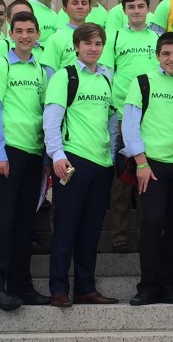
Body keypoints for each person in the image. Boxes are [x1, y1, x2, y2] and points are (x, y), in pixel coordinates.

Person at [43, 22, 118, 307]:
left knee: (91, 230)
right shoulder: (65, 76)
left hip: (100, 164)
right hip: (73, 161)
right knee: (66, 227)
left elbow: (111, 120)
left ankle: (86, 288)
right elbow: (51, 121)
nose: (93, 48)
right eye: (87, 43)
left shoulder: (106, 79)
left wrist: (110, 155)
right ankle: (59, 289)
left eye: (98, 43)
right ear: (76, 46)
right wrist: (57, 156)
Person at [0, 10, 52, 310]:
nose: (25, 36)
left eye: (30, 31)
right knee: (1, 222)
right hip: (8, 152)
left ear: (38, 34)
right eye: (20, 31)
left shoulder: (41, 69)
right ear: (12, 34)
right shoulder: (2, 65)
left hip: (33, 153)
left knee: (25, 223)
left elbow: (45, 111)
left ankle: (21, 285)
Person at [121, 32, 173, 306]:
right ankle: (148, 286)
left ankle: (168, 285)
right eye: (166, 54)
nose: (172, 59)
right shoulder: (142, 82)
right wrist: (140, 161)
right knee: (152, 224)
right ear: (157, 55)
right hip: (151, 166)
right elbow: (129, 125)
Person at [102, 0, 159, 252]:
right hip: (124, 115)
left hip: (154, 117)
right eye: (131, 7)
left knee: (149, 174)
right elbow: (106, 74)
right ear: (124, 11)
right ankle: (120, 236)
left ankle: (147, 233)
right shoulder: (114, 37)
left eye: (141, 6)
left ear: (148, 9)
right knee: (122, 180)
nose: (136, 11)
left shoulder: (157, 37)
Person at [42, 0, 92, 70]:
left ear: (89, 9)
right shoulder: (56, 39)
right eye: (75, 3)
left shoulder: (96, 37)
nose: (80, 6)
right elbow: (50, 72)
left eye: (84, 3)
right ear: (65, 9)